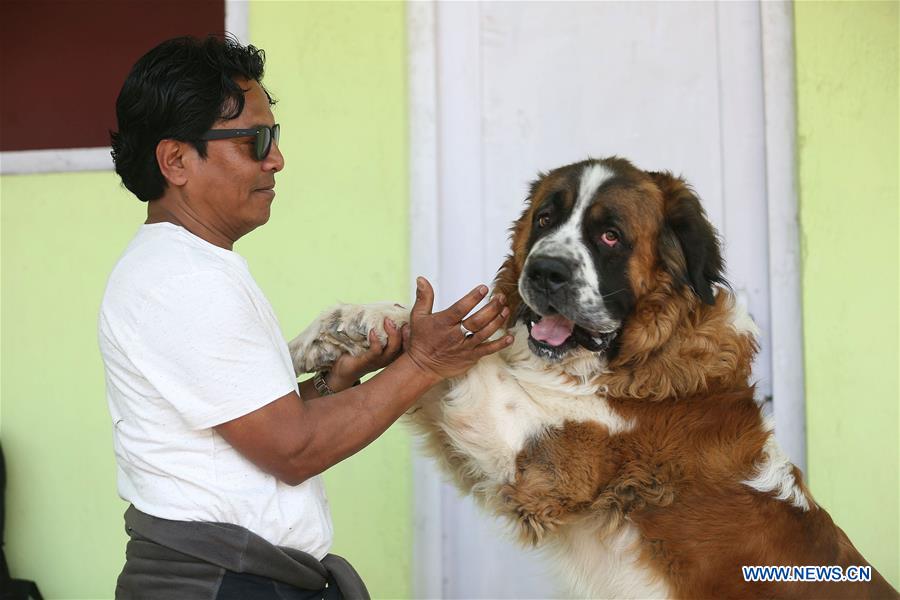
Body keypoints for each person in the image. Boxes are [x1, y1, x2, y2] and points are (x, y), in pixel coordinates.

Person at [99, 35, 512, 599]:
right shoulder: (181, 279)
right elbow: (292, 451)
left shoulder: (190, 266)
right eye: (255, 139)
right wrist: (423, 363)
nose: (277, 158)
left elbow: (257, 436)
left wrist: (335, 381)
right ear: (175, 161)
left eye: (275, 136)